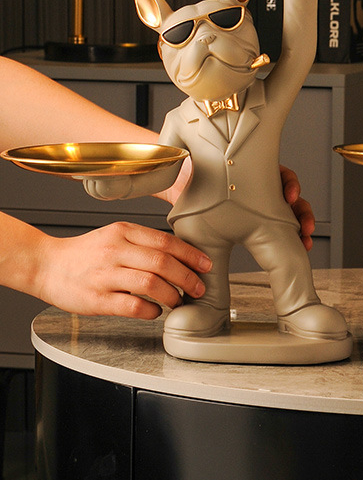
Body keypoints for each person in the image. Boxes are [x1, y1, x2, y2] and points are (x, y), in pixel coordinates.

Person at [0, 56, 315, 320]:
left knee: (289, 261)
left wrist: (198, 165)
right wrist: (41, 262)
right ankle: (207, 311)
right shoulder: (178, 118)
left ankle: (301, 308)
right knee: (205, 286)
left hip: (254, 213)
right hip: (203, 226)